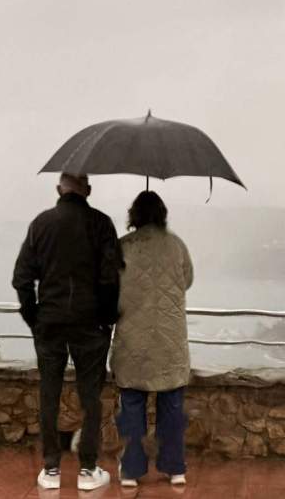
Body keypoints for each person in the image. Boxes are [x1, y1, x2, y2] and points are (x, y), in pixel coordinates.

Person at [13, 173, 123, 491]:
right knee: (90, 396)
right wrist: (107, 318)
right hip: (90, 323)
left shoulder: (41, 224)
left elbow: (22, 278)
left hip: (49, 321)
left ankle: (50, 468)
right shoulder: (101, 224)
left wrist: (33, 316)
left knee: (49, 393)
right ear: (88, 190)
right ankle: (88, 469)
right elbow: (111, 278)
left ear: (58, 189)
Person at [110, 191, 193, 488]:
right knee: (172, 407)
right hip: (170, 341)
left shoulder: (123, 247)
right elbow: (187, 280)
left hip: (132, 340)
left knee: (132, 405)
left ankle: (131, 471)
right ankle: (174, 468)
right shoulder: (176, 245)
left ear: (134, 214)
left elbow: (110, 287)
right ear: (162, 214)